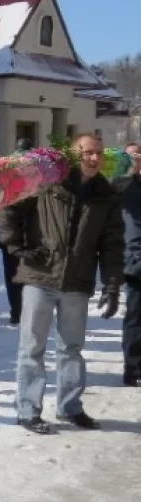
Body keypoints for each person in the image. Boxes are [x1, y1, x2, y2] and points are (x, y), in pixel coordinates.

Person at [0, 134, 124, 434]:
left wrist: (112, 284)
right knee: (32, 348)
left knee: (71, 348)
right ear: (75, 155)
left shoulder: (106, 195)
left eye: (98, 153)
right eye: (87, 152)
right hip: (40, 275)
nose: (94, 158)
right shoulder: (47, 181)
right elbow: (3, 204)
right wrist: (17, 245)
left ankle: (70, 407)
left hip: (77, 280)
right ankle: (28, 410)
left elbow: (112, 244)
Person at [0, 138, 35, 325]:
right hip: (18, 232)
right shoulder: (13, 172)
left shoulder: (7, 170)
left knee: (14, 274)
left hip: (13, 233)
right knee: (23, 274)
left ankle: (18, 311)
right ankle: (20, 311)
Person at [114, 149, 141, 387]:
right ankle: (133, 368)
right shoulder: (125, 188)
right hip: (137, 264)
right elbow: (131, 232)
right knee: (136, 316)